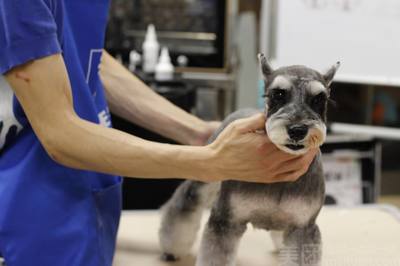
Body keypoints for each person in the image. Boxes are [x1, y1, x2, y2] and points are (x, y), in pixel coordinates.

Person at [0, 0, 317, 265]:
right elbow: (61, 135)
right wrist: (211, 161)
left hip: (83, 216)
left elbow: (80, 55)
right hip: (23, 226)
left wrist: (197, 132)